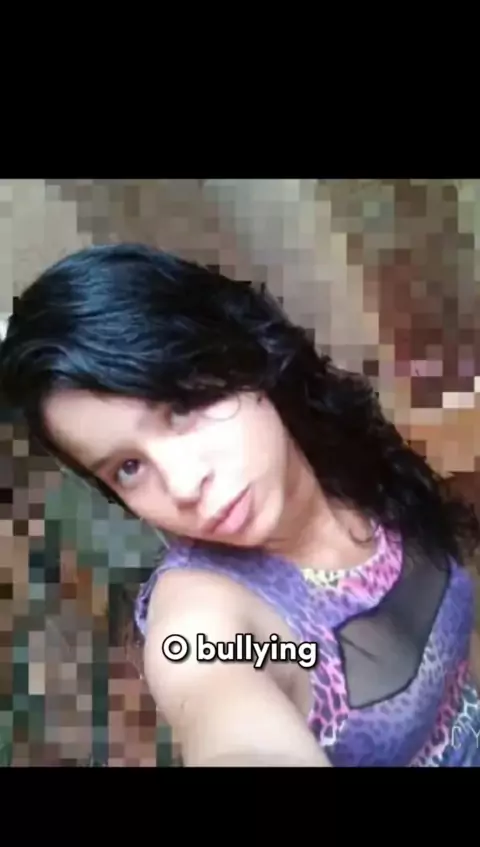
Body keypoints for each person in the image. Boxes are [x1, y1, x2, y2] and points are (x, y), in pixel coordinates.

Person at [1, 242, 480, 767]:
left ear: (241, 351)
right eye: (129, 467)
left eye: (181, 406)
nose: (184, 484)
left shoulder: (339, 453)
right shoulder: (206, 621)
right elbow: (217, 690)